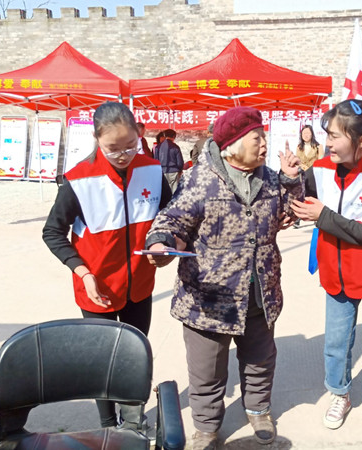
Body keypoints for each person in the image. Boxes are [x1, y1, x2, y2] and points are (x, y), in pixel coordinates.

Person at [145, 106, 304, 450]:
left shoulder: (271, 179)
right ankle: (206, 427)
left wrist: (292, 180)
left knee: (260, 360)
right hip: (209, 299)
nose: (264, 144)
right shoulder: (199, 180)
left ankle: (258, 410)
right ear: (231, 146)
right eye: (256, 138)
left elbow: (290, 212)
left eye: (264, 136)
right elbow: (172, 220)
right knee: (207, 371)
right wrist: (161, 243)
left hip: (259, 292)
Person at [42, 102, 172, 428]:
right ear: (96, 138)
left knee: (134, 355)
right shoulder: (78, 180)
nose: (123, 154)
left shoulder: (152, 170)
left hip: (139, 284)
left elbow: (170, 217)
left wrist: (163, 243)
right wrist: (82, 271)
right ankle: (107, 425)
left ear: (140, 134)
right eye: (113, 148)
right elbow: (52, 232)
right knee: (102, 359)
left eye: (130, 145)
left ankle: (133, 419)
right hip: (96, 287)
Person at [292, 100, 362, 450]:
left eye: (335, 136)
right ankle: (339, 394)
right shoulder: (320, 169)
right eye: (326, 134)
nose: (327, 143)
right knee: (336, 344)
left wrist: (324, 216)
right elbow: (300, 203)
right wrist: (289, 179)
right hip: (337, 275)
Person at [154, 128, 184, 193]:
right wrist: (180, 170)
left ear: (165, 135)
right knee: (174, 192)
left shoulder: (158, 147)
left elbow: (155, 161)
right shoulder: (175, 147)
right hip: (174, 172)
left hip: (162, 172)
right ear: (174, 137)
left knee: (164, 192)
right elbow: (180, 162)